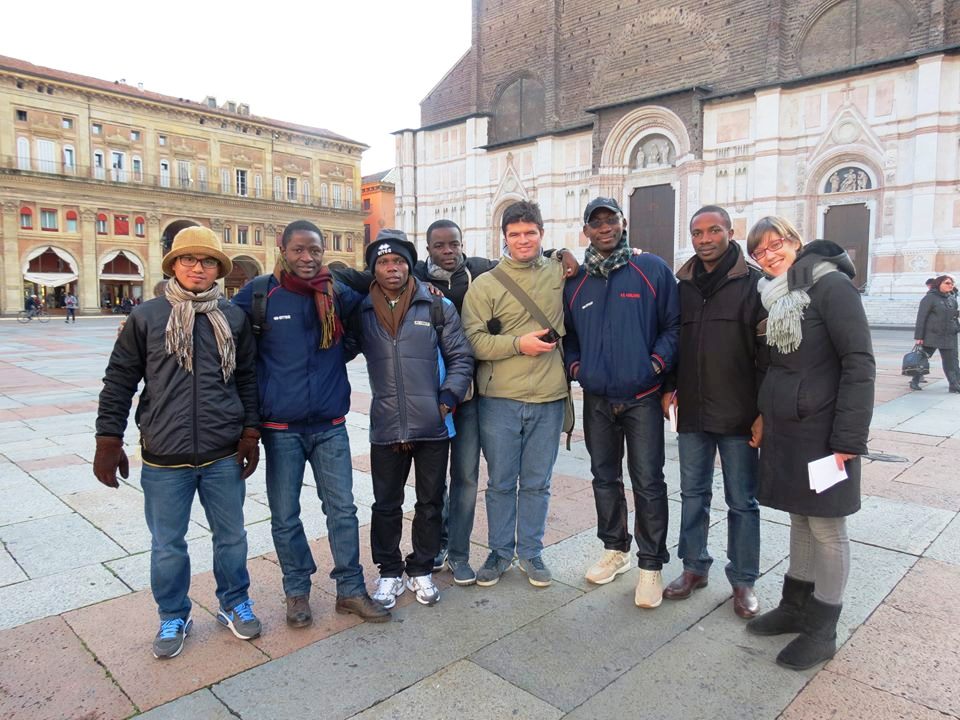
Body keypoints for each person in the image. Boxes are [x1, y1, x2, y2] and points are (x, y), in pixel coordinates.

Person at [93, 226, 263, 660]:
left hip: (222, 451)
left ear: (218, 270)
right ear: (173, 265)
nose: (197, 268)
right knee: (168, 544)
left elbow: (247, 378)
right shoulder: (147, 317)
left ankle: (234, 602)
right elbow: (120, 380)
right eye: (189, 259)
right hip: (164, 455)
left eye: (207, 261)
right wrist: (108, 438)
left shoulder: (233, 317)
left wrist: (250, 431)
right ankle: (173, 613)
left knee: (231, 537)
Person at [232, 220, 389, 627]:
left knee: (342, 511)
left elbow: (375, 302)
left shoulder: (337, 293)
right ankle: (297, 591)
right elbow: (222, 328)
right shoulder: (260, 294)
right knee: (285, 515)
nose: (307, 258)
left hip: (329, 425)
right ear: (283, 248)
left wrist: (339, 353)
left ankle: (350, 589)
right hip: (280, 429)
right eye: (299, 250)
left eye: (314, 250)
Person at [745, 216, 875, 670]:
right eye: (759, 252)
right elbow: (778, 366)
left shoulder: (831, 286)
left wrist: (848, 438)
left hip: (824, 429)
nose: (769, 256)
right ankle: (795, 606)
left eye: (775, 245)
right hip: (788, 425)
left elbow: (859, 361)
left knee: (826, 527)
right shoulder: (777, 294)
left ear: (795, 242)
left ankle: (823, 629)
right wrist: (764, 413)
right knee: (800, 516)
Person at [563, 197, 680, 608]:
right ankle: (616, 549)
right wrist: (577, 367)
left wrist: (655, 364)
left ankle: (651, 566)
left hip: (641, 397)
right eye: (595, 223)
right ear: (586, 232)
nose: (604, 228)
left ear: (623, 222)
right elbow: (569, 337)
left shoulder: (651, 269)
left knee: (648, 481)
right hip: (597, 397)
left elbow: (673, 325)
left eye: (610, 220)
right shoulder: (575, 282)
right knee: (604, 478)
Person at [357, 230, 474, 609]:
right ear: (374, 269)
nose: (392, 268)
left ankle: (421, 568)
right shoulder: (362, 311)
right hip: (387, 424)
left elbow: (461, 357)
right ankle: (389, 571)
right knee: (385, 504)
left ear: (410, 265)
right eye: (383, 262)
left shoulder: (437, 306)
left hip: (432, 425)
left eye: (399, 261)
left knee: (430, 502)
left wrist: (448, 398)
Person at [461, 201, 572, 589]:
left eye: (530, 233)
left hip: (549, 397)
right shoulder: (486, 284)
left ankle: (531, 552)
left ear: (542, 233)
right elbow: (473, 340)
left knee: (538, 482)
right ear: (504, 238)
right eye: (515, 234)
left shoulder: (560, 271)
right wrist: (517, 344)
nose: (523, 240)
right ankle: (499, 551)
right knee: (501, 483)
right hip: (500, 400)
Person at [660, 205, 763, 618]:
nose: (705, 239)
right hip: (694, 411)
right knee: (693, 494)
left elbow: (768, 356)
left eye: (714, 230)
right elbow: (672, 341)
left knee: (742, 501)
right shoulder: (682, 286)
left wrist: (763, 412)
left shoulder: (754, 283)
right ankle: (694, 567)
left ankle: (743, 579)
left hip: (740, 412)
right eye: (697, 232)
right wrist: (668, 386)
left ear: (730, 232)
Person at [911, 275, 960, 392]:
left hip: (949, 336)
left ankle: (954, 384)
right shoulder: (930, 298)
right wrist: (919, 337)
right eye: (947, 283)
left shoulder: (952, 299)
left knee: (951, 361)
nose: (950, 285)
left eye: (951, 283)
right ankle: (915, 381)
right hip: (932, 335)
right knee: (922, 359)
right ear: (939, 284)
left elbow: (954, 317)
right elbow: (921, 318)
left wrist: (956, 327)